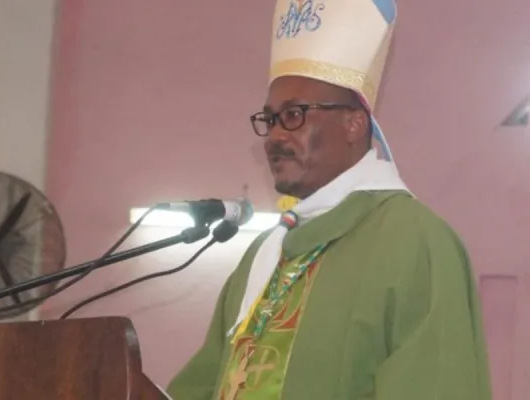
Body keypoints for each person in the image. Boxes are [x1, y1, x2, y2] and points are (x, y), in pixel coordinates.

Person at [167, 0, 492, 399]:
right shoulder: (263, 256)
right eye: (269, 120)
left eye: (295, 115)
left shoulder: (416, 243)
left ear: (354, 123)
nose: (274, 136)